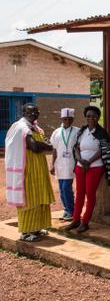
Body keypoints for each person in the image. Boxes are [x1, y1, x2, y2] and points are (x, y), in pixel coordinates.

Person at [4, 103, 55, 242]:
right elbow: (34, 147)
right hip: (27, 170)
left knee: (39, 198)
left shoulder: (35, 128)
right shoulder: (21, 127)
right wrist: (46, 145)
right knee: (29, 199)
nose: (33, 114)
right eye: (30, 112)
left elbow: (44, 144)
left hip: (38, 169)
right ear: (24, 112)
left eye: (35, 112)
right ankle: (26, 232)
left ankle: (36, 228)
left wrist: (45, 145)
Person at [65, 106, 110, 233]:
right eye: (88, 116)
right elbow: (76, 147)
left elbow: (103, 150)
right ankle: (76, 220)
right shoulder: (82, 131)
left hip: (95, 167)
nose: (91, 118)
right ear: (85, 117)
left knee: (90, 194)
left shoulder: (102, 133)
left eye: (94, 116)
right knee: (79, 193)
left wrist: (89, 162)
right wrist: (80, 159)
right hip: (81, 166)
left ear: (98, 118)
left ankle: (85, 222)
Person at [50, 108, 77, 221]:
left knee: (66, 187)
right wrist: (52, 164)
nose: (67, 121)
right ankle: (67, 210)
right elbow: (54, 150)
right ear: (61, 119)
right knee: (61, 188)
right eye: (65, 119)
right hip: (59, 164)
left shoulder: (77, 131)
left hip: (71, 163)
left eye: (69, 119)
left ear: (73, 119)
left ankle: (71, 210)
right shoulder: (56, 132)